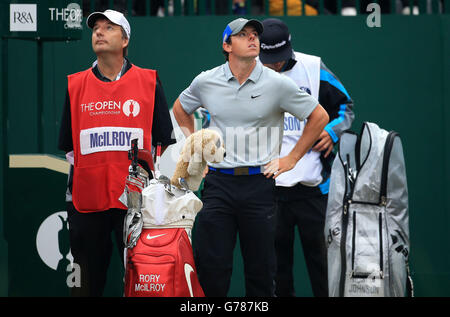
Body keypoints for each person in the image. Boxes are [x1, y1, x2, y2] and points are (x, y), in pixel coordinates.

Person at [172, 17, 329, 297]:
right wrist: (194, 146)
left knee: (261, 273)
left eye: (255, 33)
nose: (253, 38)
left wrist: (290, 159)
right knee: (212, 269)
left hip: (260, 187)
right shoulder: (206, 81)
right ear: (227, 45)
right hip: (219, 185)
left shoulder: (277, 83)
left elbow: (319, 117)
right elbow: (180, 109)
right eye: (243, 35)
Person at [58, 9, 176, 296]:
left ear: (125, 40)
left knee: (143, 281)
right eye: (96, 27)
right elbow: (70, 144)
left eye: (108, 27)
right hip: (87, 201)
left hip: (136, 202)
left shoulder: (149, 81)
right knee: (84, 283)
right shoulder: (76, 85)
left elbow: (163, 138)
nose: (98, 32)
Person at [259, 18, 354, 297]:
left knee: (324, 266)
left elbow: (345, 107)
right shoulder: (249, 70)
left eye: (279, 58)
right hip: (270, 186)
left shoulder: (313, 67)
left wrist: (331, 132)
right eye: (268, 59)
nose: (274, 65)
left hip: (315, 188)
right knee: (276, 270)